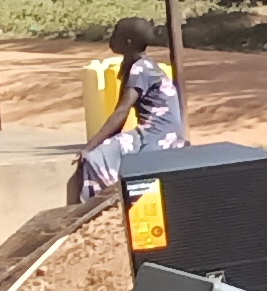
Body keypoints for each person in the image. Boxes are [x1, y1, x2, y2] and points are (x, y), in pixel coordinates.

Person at [73, 16, 188, 204]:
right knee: (109, 150)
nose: (111, 38)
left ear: (127, 42)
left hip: (157, 137)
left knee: (94, 159)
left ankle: (96, 208)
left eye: (115, 35)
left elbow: (121, 112)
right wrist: (108, 142)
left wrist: (90, 147)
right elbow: (121, 115)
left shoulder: (140, 69)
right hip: (161, 133)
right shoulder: (138, 65)